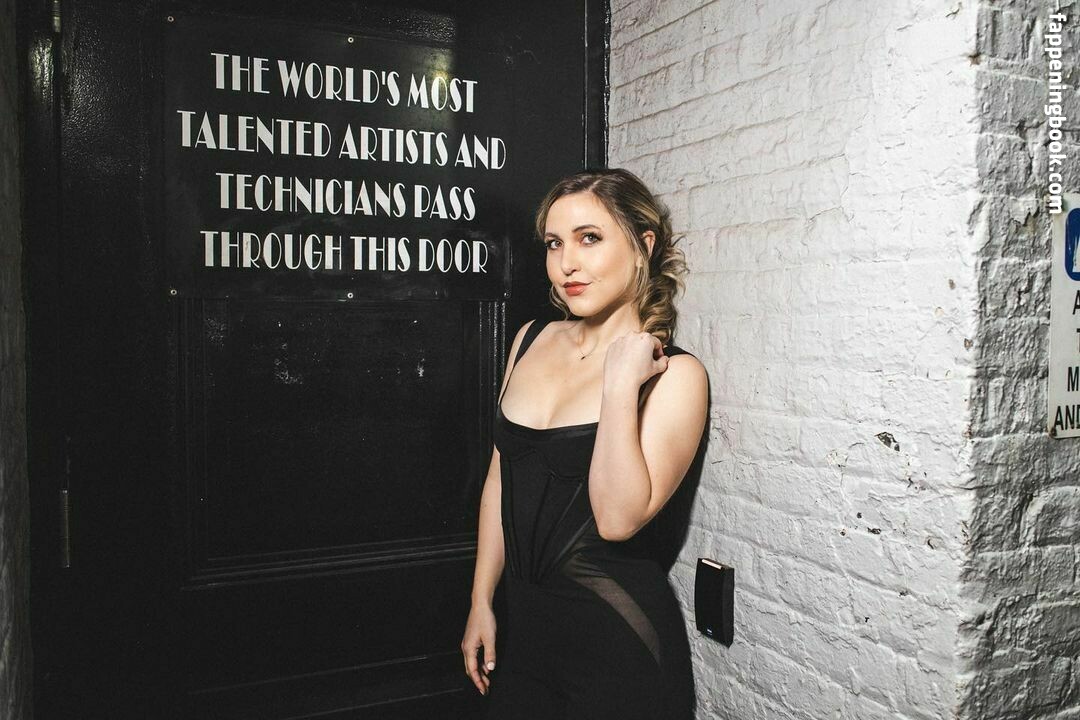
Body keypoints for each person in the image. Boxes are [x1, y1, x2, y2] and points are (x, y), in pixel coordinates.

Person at [461, 168, 709, 720]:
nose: (566, 263)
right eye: (555, 243)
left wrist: (619, 385)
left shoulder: (676, 376)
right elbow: (501, 479)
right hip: (524, 637)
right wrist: (481, 599)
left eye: (589, 238)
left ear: (643, 246)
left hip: (618, 647)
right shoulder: (530, 339)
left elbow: (617, 520)